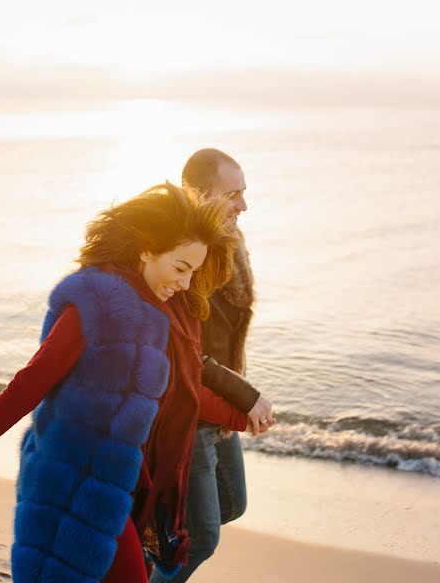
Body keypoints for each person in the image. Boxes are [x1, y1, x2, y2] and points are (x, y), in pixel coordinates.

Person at [0, 182, 256, 582]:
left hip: (122, 487)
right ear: (146, 250)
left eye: (193, 272)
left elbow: (179, 390)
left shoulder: (163, 313)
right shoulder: (97, 306)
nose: (186, 284)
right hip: (73, 488)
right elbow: (28, 386)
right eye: (180, 268)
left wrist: (241, 415)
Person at [149, 149, 274, 582]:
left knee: (231, 504)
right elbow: (184, 352)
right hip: (190, 407)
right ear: (199, 195)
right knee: (201, 539)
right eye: (233, 194)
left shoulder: (229, 245)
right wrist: (245, 396)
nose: (243, 205)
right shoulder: (187, 261)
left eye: (244, 193)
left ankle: (140, 565)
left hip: (217, 403)